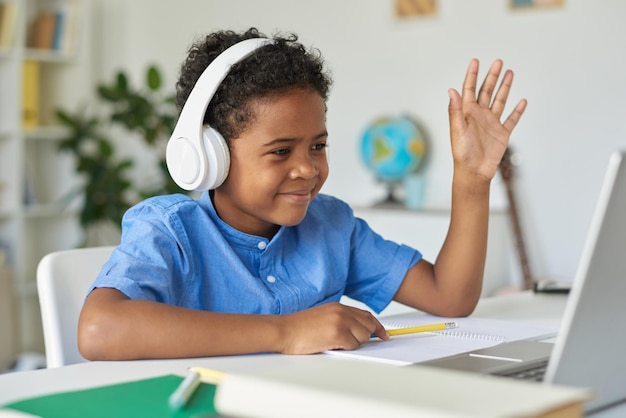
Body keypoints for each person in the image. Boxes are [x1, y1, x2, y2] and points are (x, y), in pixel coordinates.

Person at [78, 27, 527, 360]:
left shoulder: (330, 225)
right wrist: (286, 332)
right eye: (279, 151)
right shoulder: (170, 230)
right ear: (208, 156)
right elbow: (100, 329)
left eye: (318, 145)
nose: (308, 169)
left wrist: (471, 180)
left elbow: (450, 297)